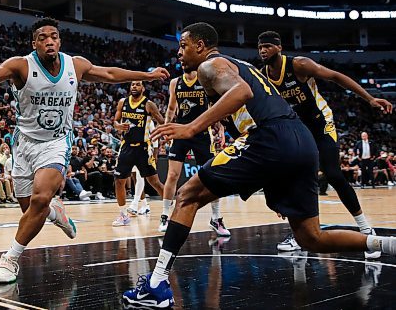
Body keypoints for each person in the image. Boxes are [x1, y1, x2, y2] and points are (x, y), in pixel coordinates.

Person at [122, 22, 396, 308]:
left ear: (201, 46)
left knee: (187, 195)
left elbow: (242, 93)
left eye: (183, 45)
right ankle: (386, 244)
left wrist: (191, 127)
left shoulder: (210, 66)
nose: (179, 52)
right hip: (300, 141)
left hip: (270, 137)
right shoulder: (242, 64)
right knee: (310, 237)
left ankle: (156, 285)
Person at [0, 17, 169, 284]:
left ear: (59, 41)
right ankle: (56, 212)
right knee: (32, 210)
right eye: (42, 37)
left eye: (54, 36)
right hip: (24, 144)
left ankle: (10, 258)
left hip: (56, 143)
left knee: (40, 199)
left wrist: (148, 75)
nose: (49, 40)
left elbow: (110, 74)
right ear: (34, 43)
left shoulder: (75, 65)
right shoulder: (20, 65)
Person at [258, 31, 393, 257]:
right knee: (292, 179)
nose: (262, 50)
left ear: (279, 47)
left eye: (267, 46)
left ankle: (365, 227)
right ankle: (299, 234)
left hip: (321, 124)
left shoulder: (299, 65)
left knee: (333, 174)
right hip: (297, 131)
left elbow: (336, 77)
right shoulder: (262, 77)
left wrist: (369, 98)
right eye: (260, 47)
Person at [160, 69, 229, 235]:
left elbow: (214, 106)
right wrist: (165, 127)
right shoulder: (175, 83)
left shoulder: (204, 80)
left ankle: (216, 218)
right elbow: (171, 108)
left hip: (202, 132)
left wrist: (218, 126)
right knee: (172, 175)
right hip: (181, 131)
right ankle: (164, 216)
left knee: (211, 175)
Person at [112, 81, 165, 226]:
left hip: (143, 148)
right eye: (132, 84)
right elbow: (115, 121)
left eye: (137, 84)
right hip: (126, 147)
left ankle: (170, 210)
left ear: (143, 88)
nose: (134, 86)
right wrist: (118, 126)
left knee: (154, 182)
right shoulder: (123, 102)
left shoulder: (148, 105)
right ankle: (123, 215)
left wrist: (167, 135)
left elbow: (161, 121)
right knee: (119, 181)